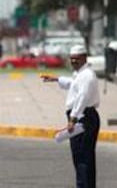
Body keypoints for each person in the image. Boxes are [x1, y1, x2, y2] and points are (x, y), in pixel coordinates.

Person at [41, 44, 100, 188]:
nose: (73, 62)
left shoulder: (87, 76)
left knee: (82, 158)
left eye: (77, 59)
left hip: (83, 117)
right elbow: (73, 84)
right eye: (71, 59)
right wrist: (56, 79)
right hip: (83, 116)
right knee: (82, 157)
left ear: (84, 58)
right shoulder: (81, 74)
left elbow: (82, 98)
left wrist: (73, 118)